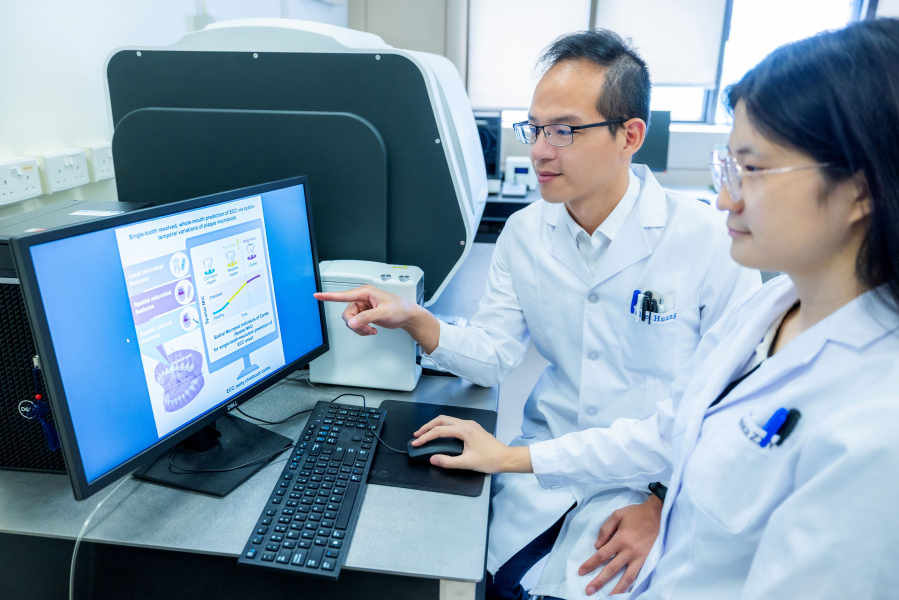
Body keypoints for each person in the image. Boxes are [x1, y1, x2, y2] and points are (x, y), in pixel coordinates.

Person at [412, 18, 899, 600]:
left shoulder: (877, 423)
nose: (726, 198)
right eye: (728, 167)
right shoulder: (773, 309)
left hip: (640, 520)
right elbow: (672, 431)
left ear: (860, 188)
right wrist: (513, 457)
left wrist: (662, 499)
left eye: (753, 168)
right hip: (559, 487)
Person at [316, 30, 759, 599]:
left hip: (651, 484)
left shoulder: (707, 240)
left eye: (564, 131)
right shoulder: (526, 232)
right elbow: (496, 354)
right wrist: (414, 318)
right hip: (542, 473)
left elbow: (730, 403)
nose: (540, 151)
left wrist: (662, 500)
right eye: (535, 128)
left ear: (630, 135)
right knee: (470, 578)